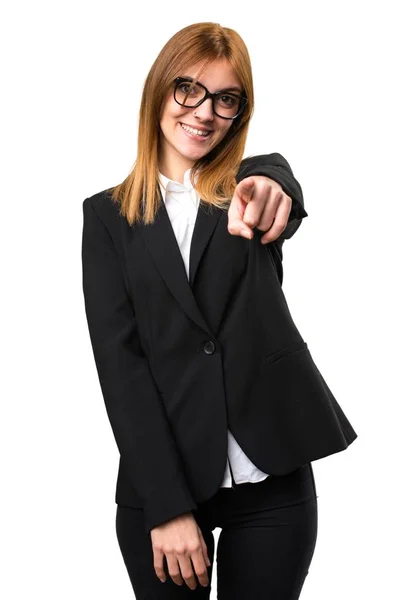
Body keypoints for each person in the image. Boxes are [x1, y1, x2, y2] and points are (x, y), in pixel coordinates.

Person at [81, 21, 358, 599]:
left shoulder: (248, 195)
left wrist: (273, 182)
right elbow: (121, 370)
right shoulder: (107, 218)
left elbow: (277, 183)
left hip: (273, 483)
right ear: (159, 91)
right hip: (165, 489)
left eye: (226, 99)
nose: (204, 113)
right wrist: (168, 508)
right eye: (189, 90)